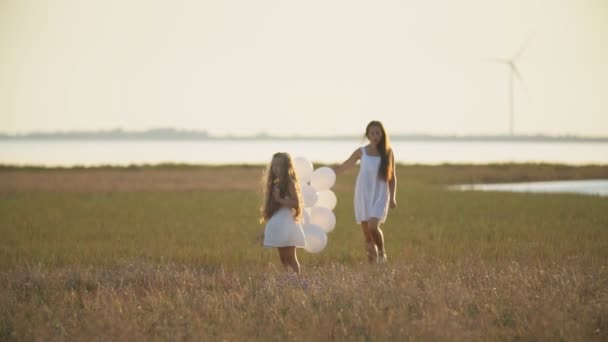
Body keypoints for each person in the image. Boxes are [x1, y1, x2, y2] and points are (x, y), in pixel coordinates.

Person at [333, 121, 397, 263]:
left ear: (382, 134)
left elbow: (392, 178)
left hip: (380, 194)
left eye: (378, 133)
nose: (375, 136)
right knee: (367, 235)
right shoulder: (361, 152)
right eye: (372, 133)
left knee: (373, 225)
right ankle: (372, 268)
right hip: (363, 194)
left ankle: (381, 252)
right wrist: (330, 173)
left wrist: (393, 198)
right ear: (368, 135)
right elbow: (345, 165)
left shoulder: (388, 152)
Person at [260, 152, 307, 274]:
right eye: (274, 165)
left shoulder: (289, 183)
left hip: (288, 224)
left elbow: (296, 203)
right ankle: (288, 280)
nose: (276, 168)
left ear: (287, 167)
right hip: (279, 226)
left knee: (291, 257)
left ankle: (297, 281)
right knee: (283, 258)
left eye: (279, 165)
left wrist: (279, 199)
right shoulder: (274, 183)